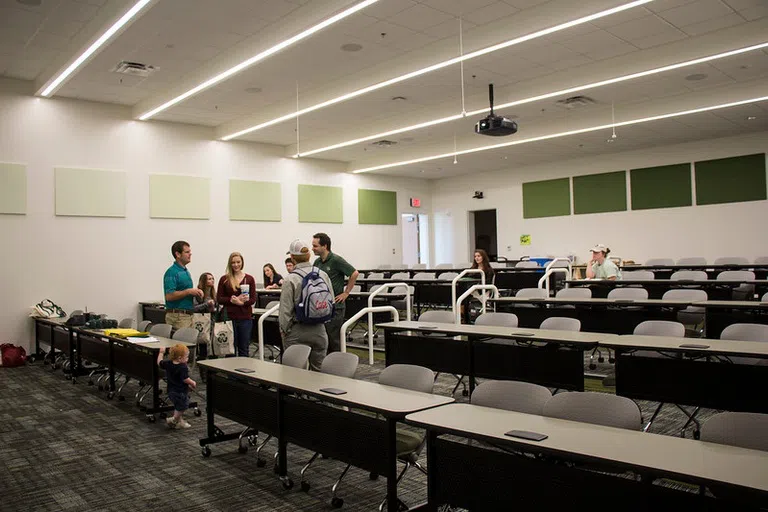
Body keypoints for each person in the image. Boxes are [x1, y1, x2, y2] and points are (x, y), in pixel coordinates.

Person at [279, 240, 333, 370]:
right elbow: (331, 301)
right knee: (318, 373)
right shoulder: (322, 274)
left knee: (295, 373)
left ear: (292, 258)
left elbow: (285, 310)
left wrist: (284, 331)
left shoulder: (290, 279)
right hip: (320, 330)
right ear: (309, 255)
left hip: (297, 331)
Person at [312, 232, 358, 354]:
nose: (313, 248)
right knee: (323, 339)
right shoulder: (317, 262)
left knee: (334, 340)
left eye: (315, 246)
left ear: (325, 246)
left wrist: (346, 292)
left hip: (335, 306)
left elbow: (354, 273)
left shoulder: (336, 260)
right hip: (321, 306)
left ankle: (337, 367)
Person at [217, 252, 257, 357]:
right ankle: (231, 373)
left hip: (245, 317)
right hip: (230, 318)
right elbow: (219, 298)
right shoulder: (224, 279)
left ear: (242, 262)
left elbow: (252, 299)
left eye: (238, 262)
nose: (236, 265)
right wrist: (232, 300)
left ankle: (243, 372)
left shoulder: (250, 279)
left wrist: (240, 302)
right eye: (233, 262)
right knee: (230, 349)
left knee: (244, 348)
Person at [163, 241, 203, 330]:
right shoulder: (172, 272)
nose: (190, 254)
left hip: (187, 315)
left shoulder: (185, 271)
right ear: (178, 254)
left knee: (188, 343)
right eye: (187, 252)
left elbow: (186, 292)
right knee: (181, 343)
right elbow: (169, 296)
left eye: (190, 252)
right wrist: (188, 291)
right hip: (178, 316)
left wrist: (196, 292)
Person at [157, 343, 196, 429]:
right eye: (186, 357)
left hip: (171, 391)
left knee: (178, 406)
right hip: (180, 391)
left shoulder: (168, 363)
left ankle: (179, 421)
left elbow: (159, 362)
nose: (187, 359)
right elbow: (185, 379)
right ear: (179, 358)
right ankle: (174, 420)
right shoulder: (182, 367)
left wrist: (161, 352)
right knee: (183, 406)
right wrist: (192, 382)